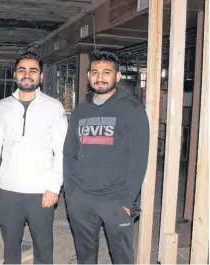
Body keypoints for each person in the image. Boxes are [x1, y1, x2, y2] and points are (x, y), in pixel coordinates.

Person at [63, 49, 149, 264]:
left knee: (122, 258)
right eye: (94, 72)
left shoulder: (132, 110)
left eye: (106, 72)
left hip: (116, 199)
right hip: (81, 198)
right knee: (85, 257)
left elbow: (138, 159)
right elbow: (69, 153)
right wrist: (71, 194)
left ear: (117, 76)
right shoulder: (80, 111)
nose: (99, 77)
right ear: (89, 75)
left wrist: (127, 200)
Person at [0, 52, 68, 264]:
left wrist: (54, 187)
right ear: (15, 75)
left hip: (41, 191)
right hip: (8, 190)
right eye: (22, 70)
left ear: (40, 76)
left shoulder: (53, 107)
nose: (27, 74)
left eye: (33, 70)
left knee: (43, 247)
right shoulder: (3, 107)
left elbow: (62, 151)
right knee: (10, 246)